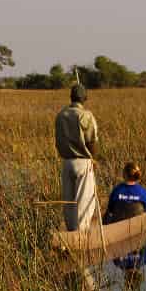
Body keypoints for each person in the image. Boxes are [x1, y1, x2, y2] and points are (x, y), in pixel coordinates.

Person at [55, 84, 99, 231]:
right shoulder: (85, 115)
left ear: (71, 97)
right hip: (82, 162)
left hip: (66, 163)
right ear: (85, 98)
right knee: (84, 202)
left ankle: (70, 232)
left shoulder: (61, 115)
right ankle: (80, 238)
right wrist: (93, 158)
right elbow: (91, 141)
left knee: (69, 202)